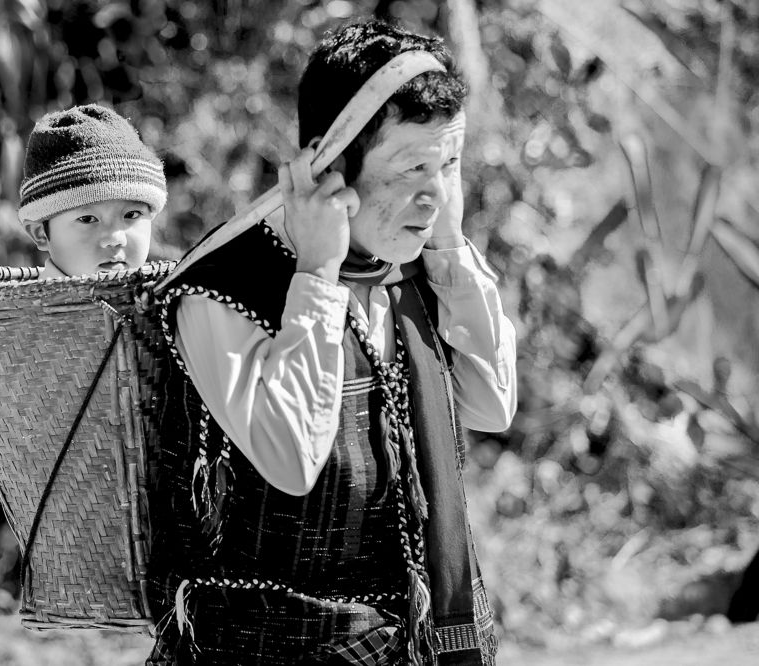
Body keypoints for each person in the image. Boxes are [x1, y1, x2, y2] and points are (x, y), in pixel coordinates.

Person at [147, 19, 517, 666]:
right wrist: (316, 276)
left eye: (449, 165)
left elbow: (490, 404)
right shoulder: (220, 291)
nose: (433, 196)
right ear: (331, 162)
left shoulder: (410, 269)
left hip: (409, 646)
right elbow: (292, 458)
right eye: (411, 169)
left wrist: (451, 249)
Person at [17, 104, 167, 278]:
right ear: (41, 234)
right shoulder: (25, 304)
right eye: (87, 219)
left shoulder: (173, 300)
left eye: (132, 215)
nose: (115, 238)